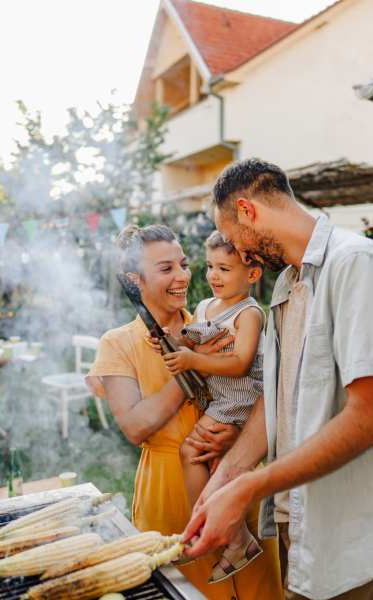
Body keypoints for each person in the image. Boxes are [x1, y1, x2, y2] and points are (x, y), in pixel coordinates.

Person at [183, 158, 373, 600]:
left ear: (248, 210)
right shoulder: (287, 283)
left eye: (236, 241)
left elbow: (369, 417)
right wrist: (228, 477)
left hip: (348, 526)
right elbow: (279, 397)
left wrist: (252, 485)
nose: (242, 256)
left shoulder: (356, 263)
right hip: (299, 516)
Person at [86, 224, 283, 600]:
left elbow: (261, 389)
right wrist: (192, 367)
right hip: (172, 493)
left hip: (238, 477)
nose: (182, 277)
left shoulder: (220, 321)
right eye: (165, 269)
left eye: (183, 263)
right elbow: (136, 426)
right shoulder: (117, 344)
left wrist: (239, 435)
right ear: (135, 279)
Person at [156, 230, 266, 582]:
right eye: (209, 267)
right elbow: (192, 339)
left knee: (191, 453)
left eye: (224, 268)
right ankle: (235, 540)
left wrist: (192, 361)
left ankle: (206, 531)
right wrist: (171, 342)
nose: (213, 276)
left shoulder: (249, 314)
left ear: (252, 274)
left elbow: (240, 363)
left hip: (239, 399)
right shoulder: (204, 307)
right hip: (216, 399)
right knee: (215, 463)